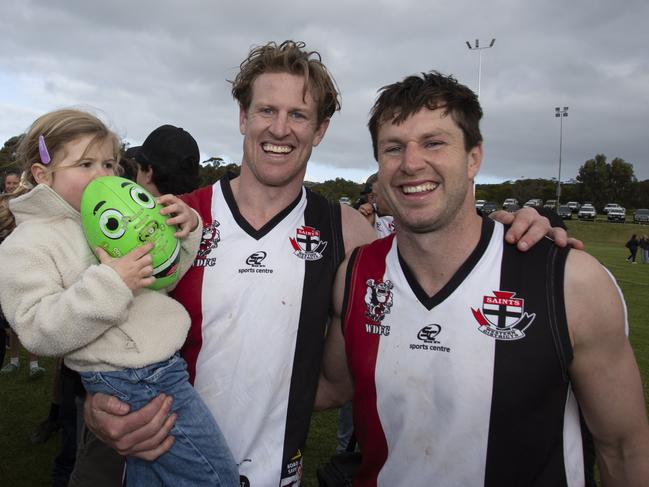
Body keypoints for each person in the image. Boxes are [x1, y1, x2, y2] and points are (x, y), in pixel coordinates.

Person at [83, 41, 576, 487]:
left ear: (320, 130)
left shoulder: (346, 230)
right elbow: (96, 323)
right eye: (266, 110)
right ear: (242, 117)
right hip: (164, 466)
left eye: (298, 115)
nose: (280, 128)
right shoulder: (175, 219)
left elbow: (446, 252)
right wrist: (97, 408)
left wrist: (520, 230)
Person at [317, 71, 649, 486]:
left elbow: (623, 449)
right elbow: (328, 387)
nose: (411, 163)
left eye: (434, 142)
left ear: (474, 157)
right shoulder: (357, 274)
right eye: (393, 148)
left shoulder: (569, 281)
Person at [0, 108, 238, 486]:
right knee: (217, 477)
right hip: (134, 377)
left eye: (110, 163)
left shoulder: (104, 221)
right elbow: (36, 328)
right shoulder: (27, 243)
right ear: (43, 175)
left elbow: (160, 280)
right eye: (86, 164)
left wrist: (187, 231)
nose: (103, 176)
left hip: (161, 368)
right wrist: (111, 283)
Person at [356, 172, 394, 239]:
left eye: (375, 195)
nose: (370, 199)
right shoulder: (370, 213)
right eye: (369, 196)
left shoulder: (408, 212)